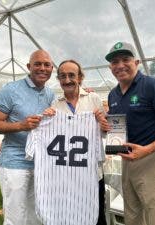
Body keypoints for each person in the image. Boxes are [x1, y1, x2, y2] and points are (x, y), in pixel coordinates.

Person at [98, 41, 155, 225]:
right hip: (127, 161)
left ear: (137, 62)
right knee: (132, 216)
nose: (120, 65)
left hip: (154, 160)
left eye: (126, 59)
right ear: (110, 67)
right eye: (115, 62)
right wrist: (104, 127)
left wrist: (147, 149)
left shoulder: (152, 86)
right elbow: (118, 128)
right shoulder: (113, 95)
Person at [0, 49, 54, 225]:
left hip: (40, 162)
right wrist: (21, 125)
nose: (42, 68)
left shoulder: (50, 94)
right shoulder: (11, 90)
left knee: (36, 211)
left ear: (52, 68)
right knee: (15, 214)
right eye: (37, 64)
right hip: (15, 160)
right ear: (29, 66)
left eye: (47, 64)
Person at [44, 59, 107, 225]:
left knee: (96, 214)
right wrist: (46, 118)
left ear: (80, 78)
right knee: (69, 212)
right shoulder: (55, 104)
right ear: (58, 79)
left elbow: (105, 132)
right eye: (62, 76)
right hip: (65, 174)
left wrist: (102, 123)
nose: (67, 80)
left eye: (71, 75)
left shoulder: (93, 98)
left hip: (92, 172)